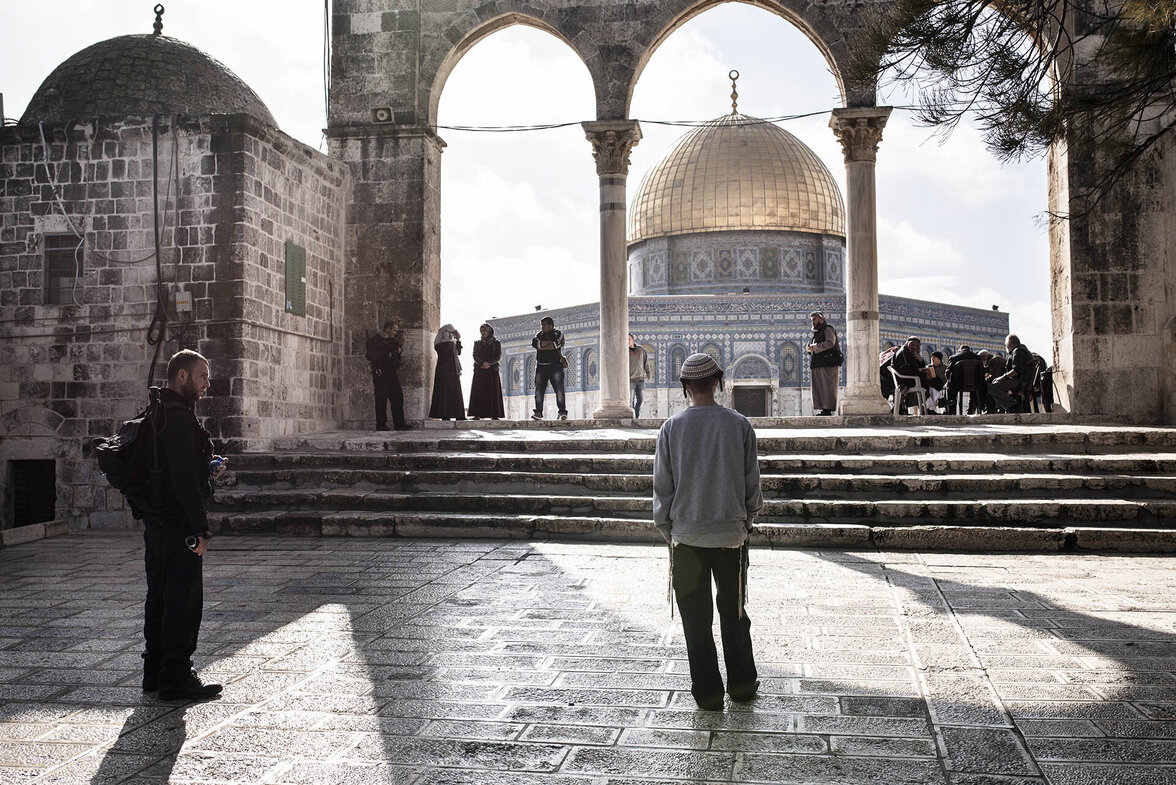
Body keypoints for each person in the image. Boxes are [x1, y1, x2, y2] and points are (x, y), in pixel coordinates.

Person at [653, 353, 762, 712]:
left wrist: (667, 527)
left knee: (695, 621)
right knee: (733, 613)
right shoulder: (739, 425)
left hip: (686, 538)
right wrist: (746, 522)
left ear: (685, 386)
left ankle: (708, 693)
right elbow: (751, 486)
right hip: (731, 536)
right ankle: (743, 685)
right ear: (718, 382)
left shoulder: (671, 427)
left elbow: (662, 488)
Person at [137, 349, 224, 701]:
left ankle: (154, 673)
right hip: (178, 524)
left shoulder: (155, 415)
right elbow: (183, 478)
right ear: (182, 377)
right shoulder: (178, 419)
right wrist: (200, 529)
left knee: (159, 595)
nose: (207, 384)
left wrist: (207, 468)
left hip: (156, 522)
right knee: (183, 598)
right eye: (202, 376)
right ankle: (176, 676)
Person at [366, 320, 409, 431]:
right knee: (381, 400)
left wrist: (397, 353)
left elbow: (395, 359)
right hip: (381, 374)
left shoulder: (392, 341)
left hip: (391, 373)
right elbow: (372, 356)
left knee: (398, 398)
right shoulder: (374, 341)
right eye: (394, 330)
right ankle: (381, 425)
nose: (395, 332)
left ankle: (399, 424)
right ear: (388, 329)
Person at [531, 316, 568, 421]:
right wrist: (550, 344)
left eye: (544, 324)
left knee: (559, 390)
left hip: (555, 365)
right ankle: (538, 412)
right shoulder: (538, 335)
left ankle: (562, 412)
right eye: (541, 325)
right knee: (539, 391)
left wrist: (543, 346)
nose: (542, 327)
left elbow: (555, 345)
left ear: (550, 325)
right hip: (541, 366)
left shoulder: (559, 334)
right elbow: (537, 344)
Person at [988, 334, 1034, 412]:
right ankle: (1002, 408)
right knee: (995, 382)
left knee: (991, 387)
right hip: (1021, 380)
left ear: (1011, 343)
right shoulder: (1023, 350)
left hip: (1017, 381)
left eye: (1006, 344)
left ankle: (1013, 406)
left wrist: (1003, 377)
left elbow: (1016, 370)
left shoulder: (1017, 351)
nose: (1005, 346)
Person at [468, 323, 505, 420]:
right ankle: (477, 414)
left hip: (492, 370)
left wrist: (489, 363)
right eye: (481, 331)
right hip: (480, 370)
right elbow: (475, 355)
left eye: (484, 331)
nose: (483, 333)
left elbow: (498, 356)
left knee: (492, 392)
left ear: (489, 332)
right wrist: (482, 364)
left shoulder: (496, 343)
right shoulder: (477, 343)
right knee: (479, 392)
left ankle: (494, 414)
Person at [429, 324, 466, 420]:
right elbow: (444, 352)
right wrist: (450, 342)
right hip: (443, 372)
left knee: (456, 394)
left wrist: (458, 339)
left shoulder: (452, 342)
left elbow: (458, 352)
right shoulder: (439, 343)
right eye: (449, 332)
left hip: (454, 371)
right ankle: (445, 415)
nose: (449, 335)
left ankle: (459, 415)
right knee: (444, 394)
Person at [807, 311, 840, 415]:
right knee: (820, 387)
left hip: (828, 363)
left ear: (821, 319)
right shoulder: (817, 333)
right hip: (819, 363)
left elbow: (830, 342)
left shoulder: (828, 329)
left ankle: (828, 409)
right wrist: (810, 349)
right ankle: (823, 409)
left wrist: (815, 348)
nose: (813, 322)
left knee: (827, 386)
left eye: (815, 320)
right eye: (812, 320)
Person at [945, 344, 985, 414]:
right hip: (975, 385)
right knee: (976, 387)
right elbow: (982, 372)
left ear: (959, 350)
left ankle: (952, 410)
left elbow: (948, 373)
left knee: (949, 385)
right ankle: (972, 409)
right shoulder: (978, 358)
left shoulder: (954, 357)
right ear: (969, 350)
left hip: (958, 385)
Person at [629, 333, 652, 418]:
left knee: (641, 400)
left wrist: (648, 373)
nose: (627, 341)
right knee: (630, 400)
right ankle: (632, 417)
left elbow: (646, 362)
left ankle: (636, 415)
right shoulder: (624, 352)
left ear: (633, 340)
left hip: (640, 379)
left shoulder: (640, 350)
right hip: (630, 380)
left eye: (629, 339)